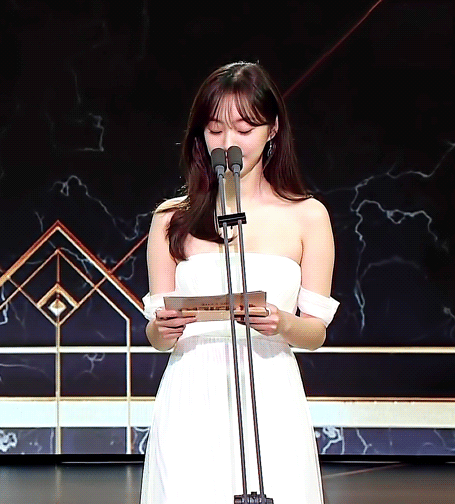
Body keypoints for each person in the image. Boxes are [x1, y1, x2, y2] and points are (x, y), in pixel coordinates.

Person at [138, 62, 339, 503]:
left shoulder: (308, 216)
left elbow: (315, 332)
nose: (228, 142)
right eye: (215, 129)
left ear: (272, 130)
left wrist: (283, 323)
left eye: (245, 129)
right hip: (190, 395)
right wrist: (162, 330)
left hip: (269, 392)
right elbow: (156, 335)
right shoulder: (171, 218)